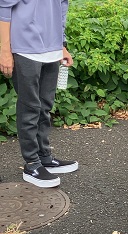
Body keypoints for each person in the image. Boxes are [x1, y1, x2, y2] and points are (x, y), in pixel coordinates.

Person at [0, 0, 78, 188]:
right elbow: (4, 7)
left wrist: (62, 45)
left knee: (45, 106)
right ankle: (32, 164)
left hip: (52, 48)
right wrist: (4, 50)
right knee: (30, 108)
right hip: (24, 46)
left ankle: (44, 157)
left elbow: (61, 8)